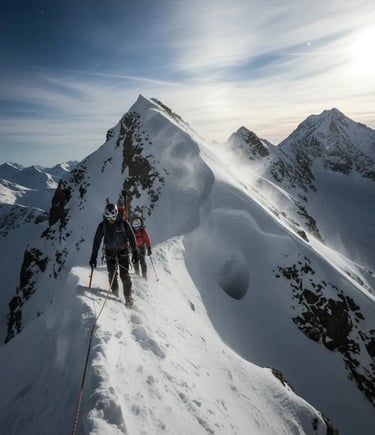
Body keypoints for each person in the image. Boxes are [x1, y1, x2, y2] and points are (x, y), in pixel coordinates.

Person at [89, 203, 139, 306]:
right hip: (110, 253)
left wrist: (135, 252)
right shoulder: (102, 226)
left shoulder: (124, 224)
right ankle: (115, 292)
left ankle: (128, 296)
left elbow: (132, 237)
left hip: (123, 252)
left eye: (113, 217)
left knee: (124, 275)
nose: (111, 220)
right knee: (112, 274)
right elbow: (96, 242)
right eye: (108, 217)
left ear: (117, 214)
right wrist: (93, 257)